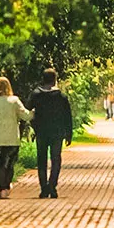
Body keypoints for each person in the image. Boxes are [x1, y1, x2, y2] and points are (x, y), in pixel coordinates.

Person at [27, 68, 75, 199]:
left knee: (41, 160)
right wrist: (69, 134)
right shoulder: (61, 96)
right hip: (57, 132)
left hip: (41, 132)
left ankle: (44, 188)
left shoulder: (36, 94)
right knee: (56, 159)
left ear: (43, 79)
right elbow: (67, 117)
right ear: (55, 80)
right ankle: (52, 186)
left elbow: (28, 111)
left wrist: (34, 126)